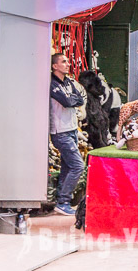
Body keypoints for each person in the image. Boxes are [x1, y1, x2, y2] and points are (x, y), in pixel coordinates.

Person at [49, 53, 85, 216]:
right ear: (54, 66)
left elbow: (79, 99)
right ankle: (63, 200)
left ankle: (61, 202)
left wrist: (71, 99)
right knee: (78, 165)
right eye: (63, 62)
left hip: (71, 128)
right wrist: (71, 99)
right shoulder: (52, 84)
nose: (67, 64)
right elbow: (67, 101)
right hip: (60, 131)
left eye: (67, 61)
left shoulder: (69, 81)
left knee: (67, 166)